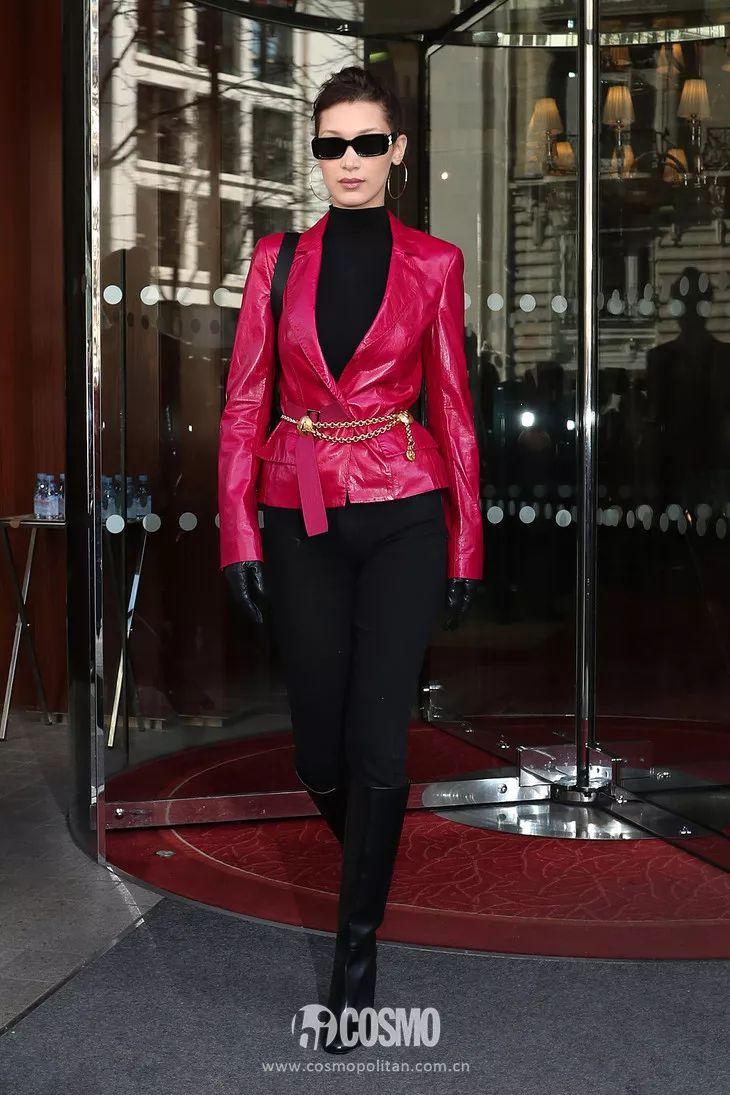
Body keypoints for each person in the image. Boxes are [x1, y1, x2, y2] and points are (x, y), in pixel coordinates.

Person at [218, 66, 483, 1053]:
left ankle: (355, 958)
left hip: (405, 510)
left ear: (397, 151)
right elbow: (244, 401)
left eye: (368, 142)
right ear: (317, 154)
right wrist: (238, 530)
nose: (349, 161)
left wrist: (466, 540)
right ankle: (373, 855)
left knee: (379, 745)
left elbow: (454, 406)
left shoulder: (435, 264)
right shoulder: (276, 261)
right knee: (318, 755)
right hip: (301, 514)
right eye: (331, 145)